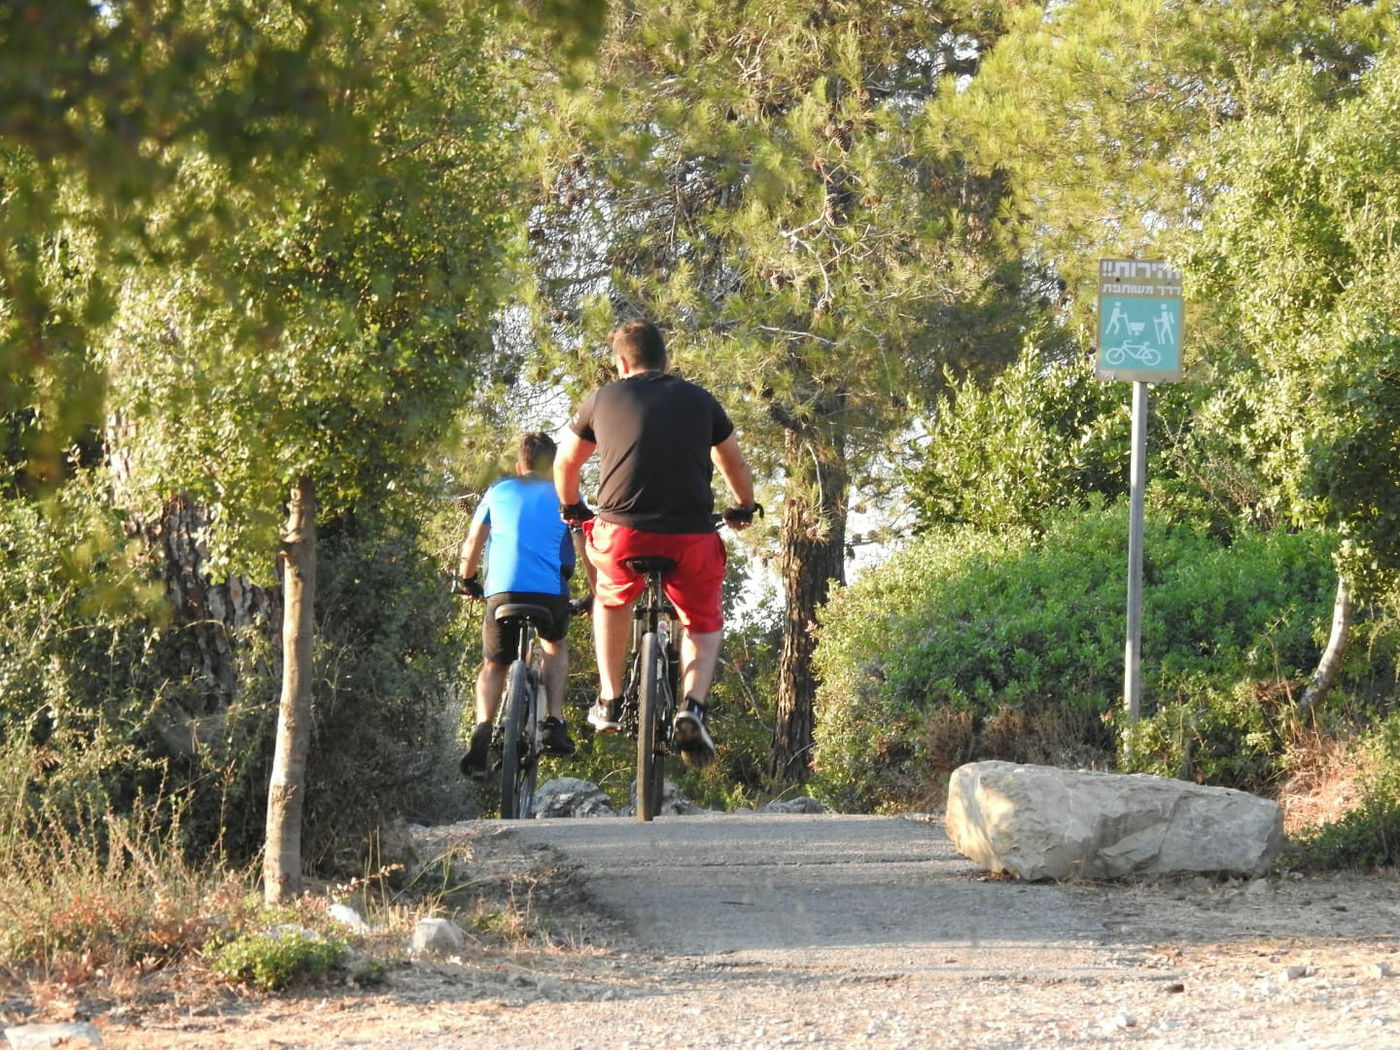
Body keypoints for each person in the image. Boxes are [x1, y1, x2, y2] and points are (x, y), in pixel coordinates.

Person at [554, 319, 757, 767]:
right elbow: (734, 464)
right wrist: (743, 506)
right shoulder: (701, 400)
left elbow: (566, 462)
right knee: (703, 623)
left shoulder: (602, 398)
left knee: (610, 600)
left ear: (622, 362)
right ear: (667, 361)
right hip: (691, 534)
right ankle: (693, 706)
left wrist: (573, 507)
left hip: (621, 532)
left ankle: (609, 699)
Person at [454, 432, 583, 779]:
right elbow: (583, 544)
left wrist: (465, 579)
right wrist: (596, 592)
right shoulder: (566, 494)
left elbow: (473, 541)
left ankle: (483, 724)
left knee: (494, 664)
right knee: (554, 646)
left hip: (502, 593)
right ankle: (553, 720)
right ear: (552, 464)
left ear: (519, 464)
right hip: (549, 593)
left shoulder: (498, 491)